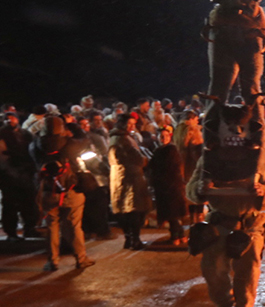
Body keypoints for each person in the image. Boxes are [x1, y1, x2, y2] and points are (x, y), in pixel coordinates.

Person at [186, 102, 265, 307]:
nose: (234, 131)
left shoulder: (260, 159)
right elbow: (190, 189)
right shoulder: (209, 159)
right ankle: (223, 302)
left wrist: (264, 192)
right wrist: (200, 189)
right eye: (228, 126)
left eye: (239, 126)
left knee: (248, 274)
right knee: (213, 270)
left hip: (250, 225)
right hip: (219, 222)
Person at [33, 118, 94, 270]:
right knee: (73, 225)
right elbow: (85, 139)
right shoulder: (69, 144)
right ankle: (81, 258)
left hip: (47, 191)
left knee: (52, 227)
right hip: (70, 190)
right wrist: (75, 126)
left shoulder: (35, 146)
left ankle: (52, 261)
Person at [109, 113, 152, 249]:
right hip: (130, 176)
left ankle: (128, 239)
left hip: (119, 175)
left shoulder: (114, 138)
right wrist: (146, 161)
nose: (132, 127)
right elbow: (138, 158)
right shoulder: (124, 140)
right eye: (130, 124)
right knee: (134, 208)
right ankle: (135, 239)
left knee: (123, 208)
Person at [0, 111, 40, 240]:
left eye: (12, 118)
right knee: (10, 204)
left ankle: (30, 228)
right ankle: (11, 232)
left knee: (29, 202)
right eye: (7, 118)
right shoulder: (1, 134)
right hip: (8, 174)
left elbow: (34, 149)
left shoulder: (25, 134)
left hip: (26, 172)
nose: (9, 120)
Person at [147, 125, 189, 243]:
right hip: (166, 185)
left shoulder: (170, 150)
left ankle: (176, 235)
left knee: (172, 212)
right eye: (161, 136)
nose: (163, 138)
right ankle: (180, 235)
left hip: (170, 185)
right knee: (172, 212)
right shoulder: (160, 150)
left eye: (166, 136)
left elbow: (167, 167)